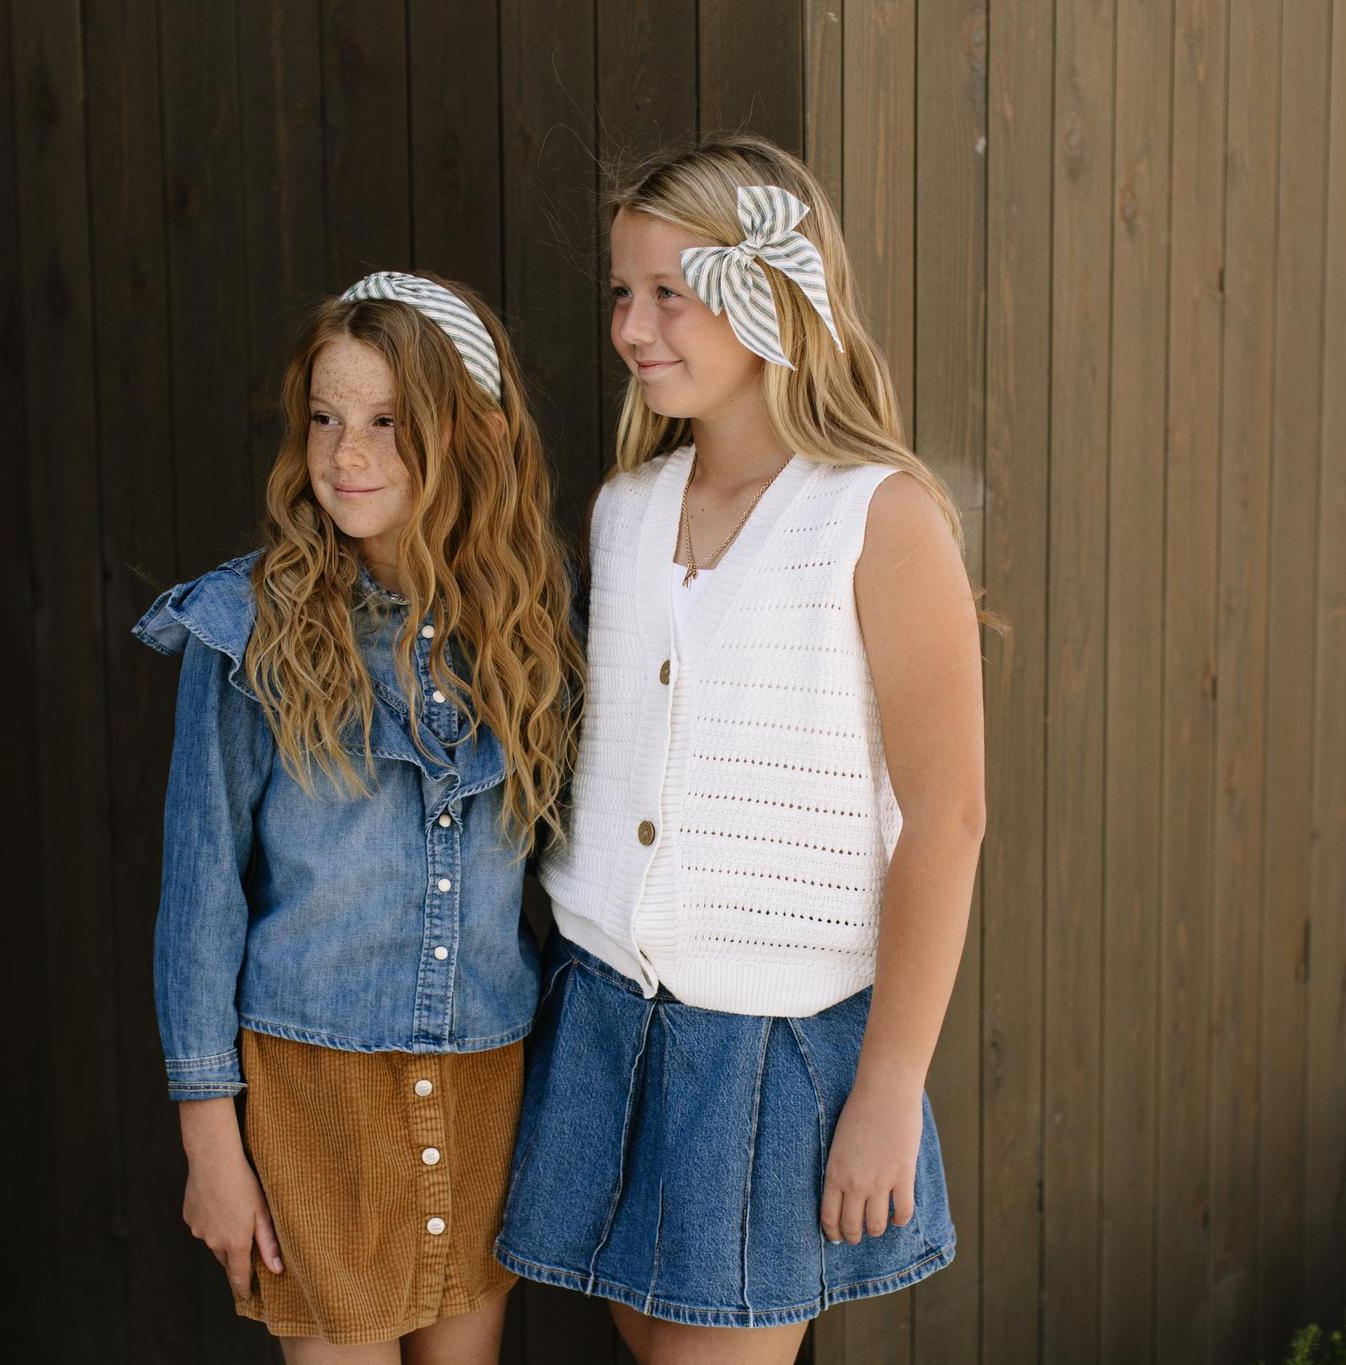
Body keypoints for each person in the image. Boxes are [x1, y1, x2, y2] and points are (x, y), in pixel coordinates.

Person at [493, 134, 989, 1364]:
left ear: (769, 293)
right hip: (601, 1021)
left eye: (670, 291)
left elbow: (947, 818)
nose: (631, 326)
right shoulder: (623, 513)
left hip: (768, 1050)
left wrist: (888, 1085)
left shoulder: (876, 516)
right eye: (622, 291)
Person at [132, 269, 582, 1362]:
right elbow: (199, 895)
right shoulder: (249, 626)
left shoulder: (529, 622)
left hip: (485, 1076)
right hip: (313, 1087)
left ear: (473, 432)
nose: (346, 455)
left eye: (387, 422)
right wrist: (208, 1136)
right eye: (326, 419)